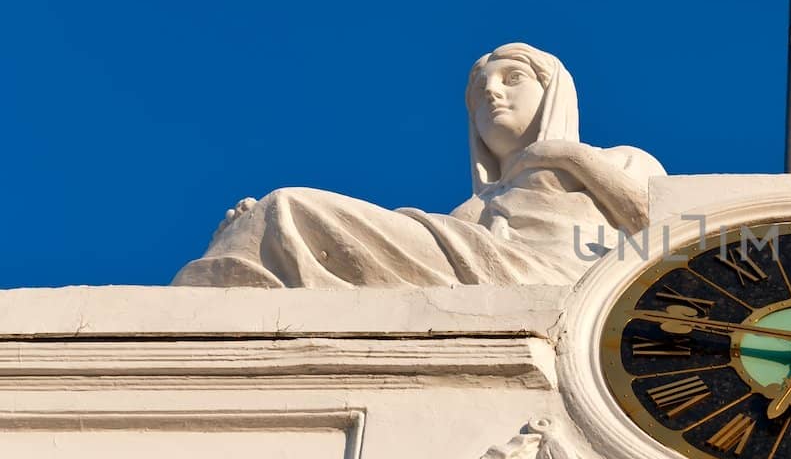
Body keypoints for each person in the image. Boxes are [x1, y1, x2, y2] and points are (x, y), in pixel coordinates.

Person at [173, 43, 663, 288]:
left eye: (511, 78)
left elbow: (664, 229)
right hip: (475, 269)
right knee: (279, 210)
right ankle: (233, 282)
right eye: (479, 91)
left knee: (287, 205)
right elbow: (429, 246)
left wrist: (563, 154)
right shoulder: (475, 208)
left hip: (559, 282)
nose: (491, 92)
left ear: (553, 91)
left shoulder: (621, 159)